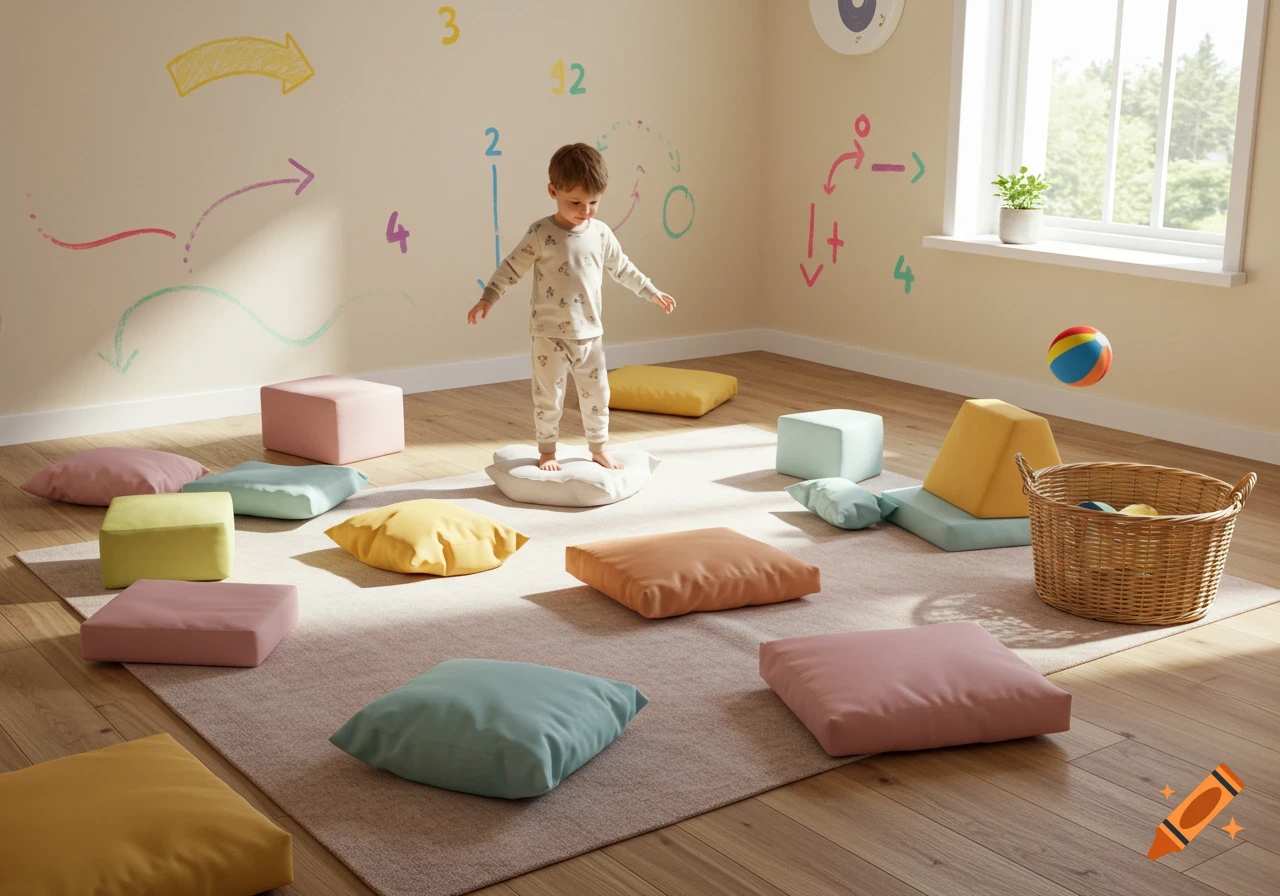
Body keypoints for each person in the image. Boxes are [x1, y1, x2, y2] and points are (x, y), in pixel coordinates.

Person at [467, 143, 676, 471]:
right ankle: (548, 450)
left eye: (594, 202)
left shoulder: (601, 233)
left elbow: (621, 268)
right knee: (548, 396)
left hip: (590, 333)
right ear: (553, 191)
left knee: (597, 396)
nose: (586, 210)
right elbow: (512, 267)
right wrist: (489, 296)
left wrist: (651, 291)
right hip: (548, 334)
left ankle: (599, 447)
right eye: (576, 202)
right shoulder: (541, 233)